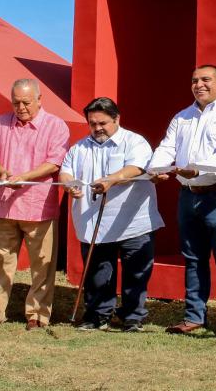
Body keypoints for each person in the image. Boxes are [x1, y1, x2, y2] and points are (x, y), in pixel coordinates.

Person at [148, 65, 216, 341]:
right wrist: (156, 169)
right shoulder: (182, 116)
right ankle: (194, 316)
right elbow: (167, 147)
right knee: (193, 258)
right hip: (188, 195)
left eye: (206, 80)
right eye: (194, 80)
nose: (199, 85)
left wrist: (198, 170)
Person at [59, 97, 165, 332]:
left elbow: (137, 167)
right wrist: (69, 185)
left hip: (132, 219)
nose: (97, 128)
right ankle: (97, 315)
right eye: (92, 123)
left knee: (135, 272)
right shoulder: (79, 148)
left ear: (117, 119)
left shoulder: (134, 141)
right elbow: (65, 172)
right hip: (93, 219)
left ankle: (132, 317)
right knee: (97, 273)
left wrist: (111, 179)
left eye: (103, 123)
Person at [0, 78, 70, 330]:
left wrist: (25, 177)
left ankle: (37, 315)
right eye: (16, 102)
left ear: (39, 100)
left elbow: (55, 162)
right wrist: (3, 172)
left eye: (26, 102)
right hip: (5, 206)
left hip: (39, 207)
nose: (21, 107)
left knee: (43, 265)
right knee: (0, 262)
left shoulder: (55, 126)